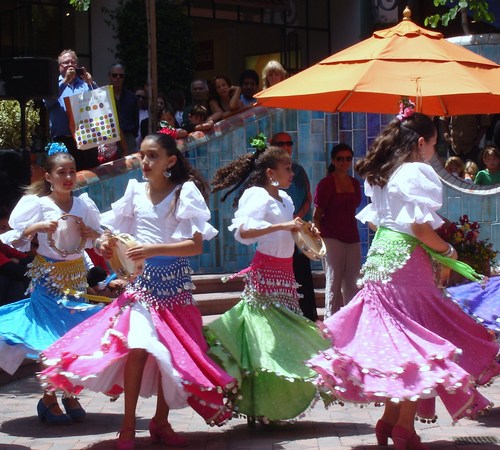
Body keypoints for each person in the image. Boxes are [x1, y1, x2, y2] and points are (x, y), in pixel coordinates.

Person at [307, 104, 500, 450]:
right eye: (434, 145)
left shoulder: (383, 171)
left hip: (381, 257)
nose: (434, 152)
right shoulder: (413, 172)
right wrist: (447, 252)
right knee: (416, 346)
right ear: (422, 142)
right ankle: (404, 429)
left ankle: (390, 422)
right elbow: (418, 226)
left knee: (401, 343)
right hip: (407, 260)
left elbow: (374, 222)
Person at [39, 133, 237, 449]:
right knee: (138, 350)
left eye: (153, 156)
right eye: (143, 155)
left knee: (167, 357)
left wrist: (150, 248)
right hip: (142, 289)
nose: (145, 162)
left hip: (175, 290)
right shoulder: (135, 191)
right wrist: (105, 243)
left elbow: (196, 245)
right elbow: (114, 234)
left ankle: (160, 422)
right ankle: (128, 426)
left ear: (170, 161)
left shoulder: (183, 193)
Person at [206, 144, 330, 425]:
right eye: (287, 169)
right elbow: (244, 231)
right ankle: (259, 405)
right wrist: (281, 227)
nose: (292, 174)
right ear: (271, 173)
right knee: (263, 340)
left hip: (286, 276)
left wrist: (303, 230)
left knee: (282, 339)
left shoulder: (285, 199)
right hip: (265, 275)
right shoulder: (257, 195)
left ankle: (269, 404)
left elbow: (290, 235)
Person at [0, 143, 103, 424]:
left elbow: (99, 238)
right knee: (51, 341)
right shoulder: (38, 204)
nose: (68, 178)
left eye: (72, 172)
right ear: (48, 176)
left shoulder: (84, 204)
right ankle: (53, 396)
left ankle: (63, 395)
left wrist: (89, 232)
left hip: (76, 279)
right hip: (47, 280)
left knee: (74, 340)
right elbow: (15, 235)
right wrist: (37, 228)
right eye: (61, 172)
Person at [270, 132, 318, 321]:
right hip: (277, 235)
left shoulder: (298, 170)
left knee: (302, 276)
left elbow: (307, 197)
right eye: (280, 143)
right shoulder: (266, 172)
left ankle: (308, 318)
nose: (285, 146)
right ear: (271, 145)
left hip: (297, 233)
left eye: (289, 143)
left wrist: (297, 217)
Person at [313, 143, 361, 317]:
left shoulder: (355, 183)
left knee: (353, 283)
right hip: (331, 237)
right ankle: (331, 324)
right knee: (333, 282)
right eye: (340, 159)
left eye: (348, 159)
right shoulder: (326, 184)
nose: (344, 162)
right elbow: (317, 215)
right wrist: (318, 242)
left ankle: (351, 322)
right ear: (333, 160)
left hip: (352, 237)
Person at [45, 49, 98, 171]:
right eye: (66, 62)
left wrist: (91, 83)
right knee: (65, 175)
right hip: (63, 140)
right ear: (59, 67)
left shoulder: (85, 84)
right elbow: (48, 102)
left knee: (89, 174)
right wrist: (65, 82)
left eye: (72, 62)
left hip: (86, 137)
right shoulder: (53, 85)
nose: (70, 65)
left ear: (77, 65)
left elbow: (99, 103)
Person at [108, 63, 139, 156]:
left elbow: (135, 119)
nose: (118, 78)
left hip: (128, 136)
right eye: (114, 75)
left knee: (131, 167)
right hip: (110, 139)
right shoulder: (103, 96)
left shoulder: (131, 97)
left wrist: (132, 134)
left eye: (121, 76)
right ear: (109, 76)